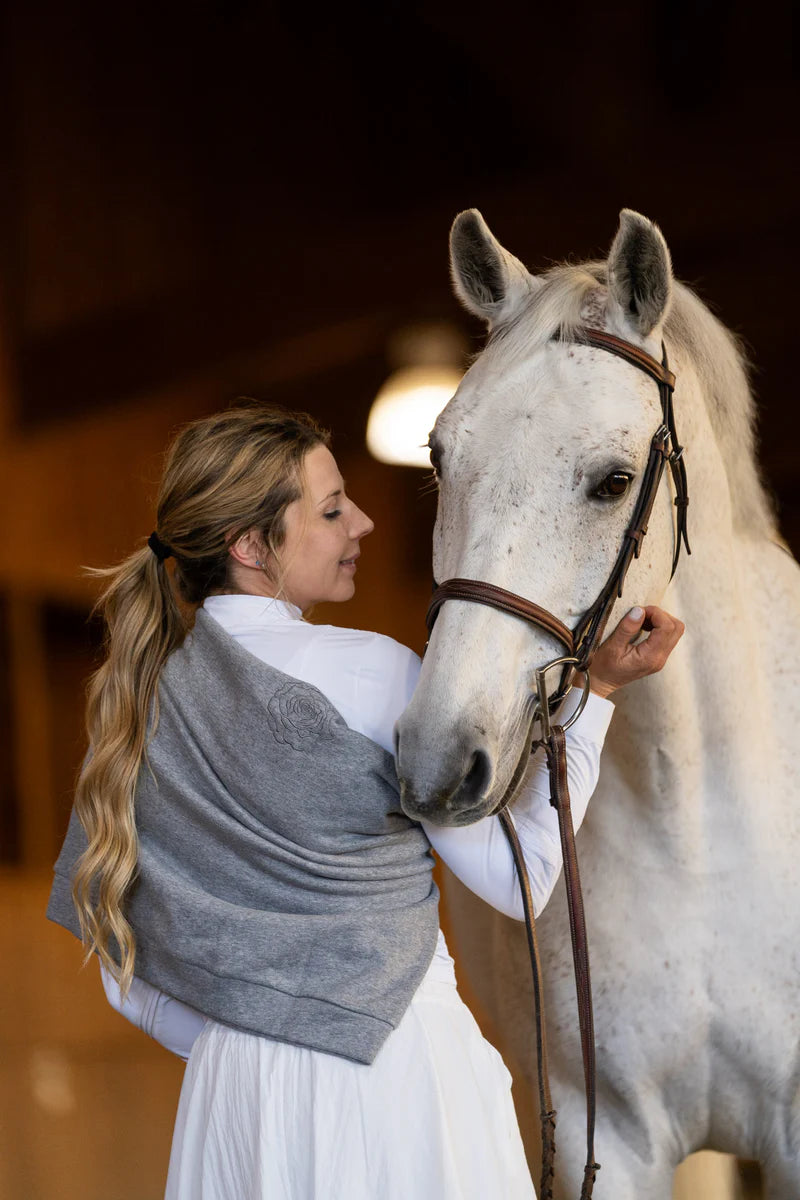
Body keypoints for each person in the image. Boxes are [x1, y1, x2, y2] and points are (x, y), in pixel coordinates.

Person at [46, 400, 684, 1200]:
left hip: (232, 1094)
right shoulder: (374, 671)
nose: (366, 523)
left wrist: (254, 1041)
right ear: (251, 545)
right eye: (333, 508)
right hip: (395, 1067)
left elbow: (122, 972)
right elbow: (521, 882)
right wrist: (592, 697)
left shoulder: (139, 704)